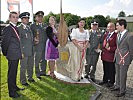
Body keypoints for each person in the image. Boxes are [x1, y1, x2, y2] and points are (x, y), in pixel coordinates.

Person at [1, 12, 24, 98]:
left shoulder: (14, 28)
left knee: (14, 73)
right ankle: (12, 92)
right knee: (11, 74)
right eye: (13, 17)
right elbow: (4, 43)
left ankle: (14, 87)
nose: (15, 19)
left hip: (16, 54)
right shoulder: (8, 28)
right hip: (12, 54)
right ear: (10, 18)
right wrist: (5, 53)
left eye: (17, 17)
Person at [110, 19, 133, 97]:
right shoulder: (118, 34)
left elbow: (131, 49)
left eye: (117, 25)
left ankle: (122, 91)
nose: (116, 27)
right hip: (117, 58)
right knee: (118, 74)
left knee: (123, 75)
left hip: (124, 59)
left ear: (122, 26)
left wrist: (129, 60)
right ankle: (117, 86)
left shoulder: (130, 36)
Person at [18, 12, 35, 86]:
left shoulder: (28, 27)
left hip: (31, 50)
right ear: (21, 19)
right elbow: (19, 41)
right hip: (24, 51)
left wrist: (34, 41)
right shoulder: (19, 28)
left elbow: (29, 39)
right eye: (25, 18)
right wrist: (21, 52)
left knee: (30, 65)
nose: (27, 19)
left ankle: (30, 77)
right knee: (23, 67)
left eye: (28, 18)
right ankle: (23, 81)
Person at [99, 22, 117, 87]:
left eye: (111, 27)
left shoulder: (116, 35)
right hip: (104, 55)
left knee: (111, 70)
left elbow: (117, 46)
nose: (109, 28)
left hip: (111, 56)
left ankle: (111, 82)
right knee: (105, 69)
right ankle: (105, 80)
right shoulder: (106, 34)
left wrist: (110, 48)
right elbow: (103, 43)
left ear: (114, 27)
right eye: (108, 27)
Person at [30, 11, 47, 79]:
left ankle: (43, 72)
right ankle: (37, 73)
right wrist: (34, 40)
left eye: (41, 17)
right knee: (37, 60)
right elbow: (30, 36)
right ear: (35, 17)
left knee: (44, 59)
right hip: (37, 46)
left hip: (45, 45)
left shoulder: (45, 25)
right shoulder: (33, 26)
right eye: (39, 16)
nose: (40, 18)